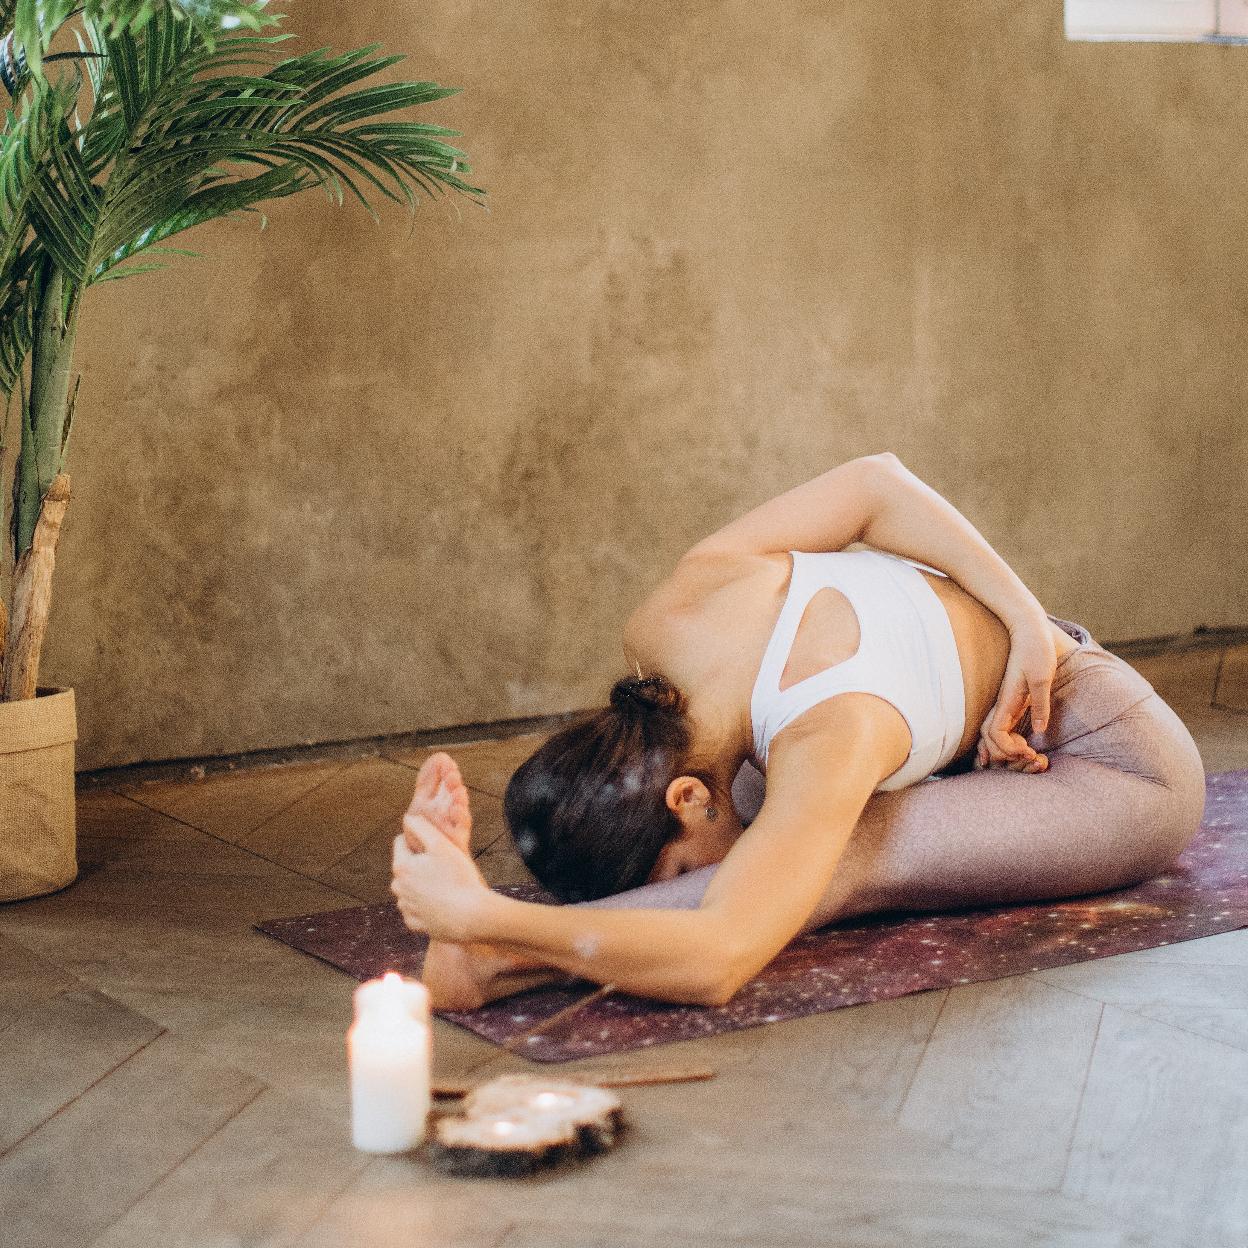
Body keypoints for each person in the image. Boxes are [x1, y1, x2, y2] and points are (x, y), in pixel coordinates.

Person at [390, 453, 1206, 1010]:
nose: (676, 872)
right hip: (957, 738)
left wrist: (489, 918)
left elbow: (721, 958)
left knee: (835, 852)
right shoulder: (668, 623)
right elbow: (874, 485)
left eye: (668, 870)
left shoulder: (831, 733)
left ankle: (500, 959)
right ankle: (501, 950)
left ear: (686, 796)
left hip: (1107, 764)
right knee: (778, 837)